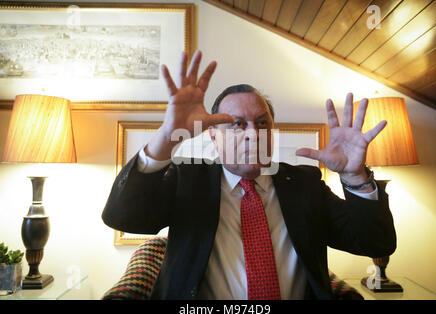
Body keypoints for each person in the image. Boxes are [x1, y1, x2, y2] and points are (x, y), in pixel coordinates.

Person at [102, 50, 396, 300]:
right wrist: (166, 138)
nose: (253, 135)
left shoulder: (304, 183)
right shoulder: (187, 180)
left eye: (262, 123)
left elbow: (375, 243)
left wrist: (356, 175)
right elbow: (123, 217)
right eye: (237, 124)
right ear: (214, 137)